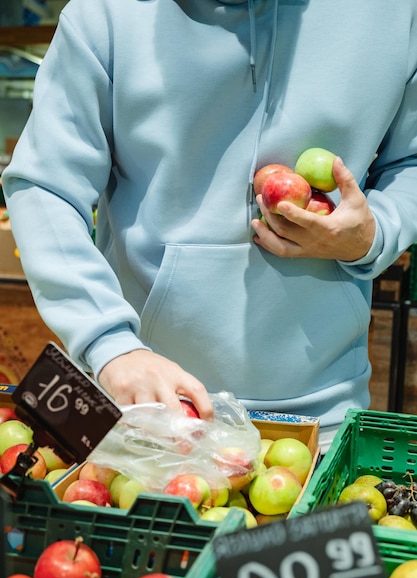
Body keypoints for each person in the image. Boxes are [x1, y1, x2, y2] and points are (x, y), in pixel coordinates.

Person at [3, 0, 417, 450]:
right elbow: (46, 185)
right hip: (149, 409)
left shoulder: (394, 12)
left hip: (321, 413)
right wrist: (110, 344)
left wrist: (375, 234)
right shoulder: (107, 12)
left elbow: (411, 161)